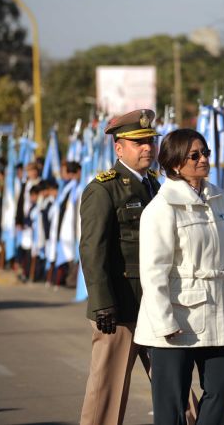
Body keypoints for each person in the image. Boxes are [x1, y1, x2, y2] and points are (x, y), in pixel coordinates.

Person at [134, 128, 224, 425]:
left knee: (222, 392)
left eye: (205, 152)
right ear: (174, 164)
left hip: (219, 311)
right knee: (171, 405)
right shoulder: (161, 208)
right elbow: (153, 270)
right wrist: (163, 322)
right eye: (194, 155)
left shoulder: (219, 198)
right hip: (177, 317)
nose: (203, 159)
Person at [79, 109, 162, 425]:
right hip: (121, 305)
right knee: (107, 391)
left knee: (173, 383)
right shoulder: (103, 189)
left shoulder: (156, 185)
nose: (147, 148)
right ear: (119, 148)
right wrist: (103, 304)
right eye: (138, 142)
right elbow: (92, 249)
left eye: (150, 141)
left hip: (157, 302)